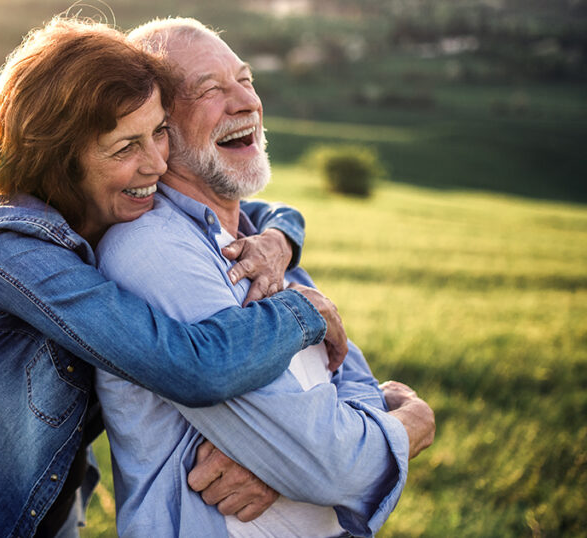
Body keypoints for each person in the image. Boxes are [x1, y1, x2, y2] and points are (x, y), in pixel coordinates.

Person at [0, 17, 349, 537]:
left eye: (158, 132)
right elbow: (190, 367)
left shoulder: (109, 210)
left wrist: (279, 240)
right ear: (61, 160)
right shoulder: (13, 249)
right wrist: (303, 310)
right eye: (125, 148)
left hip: (49, 516)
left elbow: (260, 210)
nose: (157, 163)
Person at [95, 17, 436, 537]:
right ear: (158, 128)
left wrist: (288, 464)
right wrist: (409, 424)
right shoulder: (154, 251)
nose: (246, 102)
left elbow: (349, 383)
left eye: (246, 80)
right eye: (210, 89)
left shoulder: (263, 245)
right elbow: (332, 465)